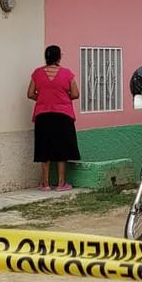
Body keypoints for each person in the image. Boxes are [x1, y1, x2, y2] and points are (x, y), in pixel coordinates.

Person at [28, 45, 81, 191]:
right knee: (61, 148)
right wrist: (62, 97)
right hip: (62, 115)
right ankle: (61, 183)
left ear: (46, 57)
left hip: (43, 115)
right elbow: (76, 94)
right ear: (59, 57)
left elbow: (30, 93)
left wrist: (44, 98)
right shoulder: (67, 74)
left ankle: (44, 184)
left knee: (43, 147)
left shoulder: (37, 73)